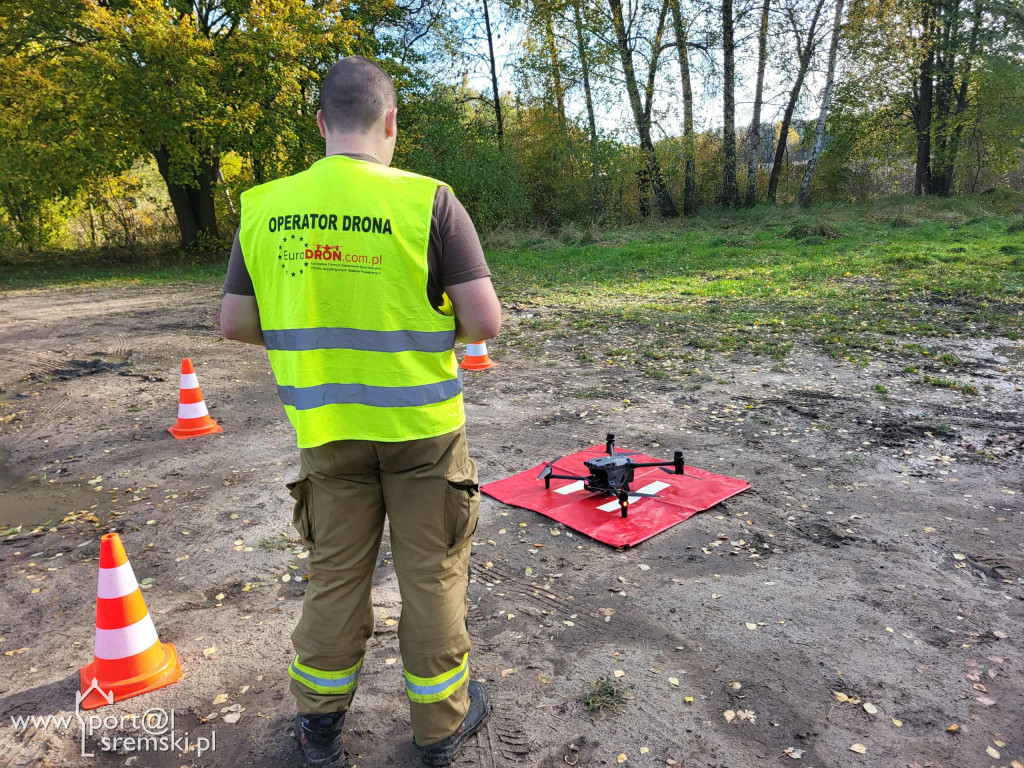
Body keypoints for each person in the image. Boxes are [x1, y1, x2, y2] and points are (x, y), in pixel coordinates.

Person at [220, 56, 501, 767]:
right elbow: (483, 321)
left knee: (335, 576)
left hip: (327, 430)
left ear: (320, 123)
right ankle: (439, 729)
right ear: (391, 122)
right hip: (423, 435)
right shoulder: (430, 200)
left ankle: (319, 730)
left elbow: (235, 323)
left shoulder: (263, 207)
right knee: (431, 574)